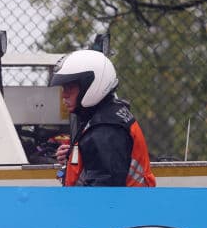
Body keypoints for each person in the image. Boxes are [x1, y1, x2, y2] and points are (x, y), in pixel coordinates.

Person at [51, 50, 155, 187]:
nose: (64, 95)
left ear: (90, 85)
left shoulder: (106, 130)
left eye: (70, 88)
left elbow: (102, 196)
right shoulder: (103, 117)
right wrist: (73, 157)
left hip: (123, 208)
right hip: (129, 206)